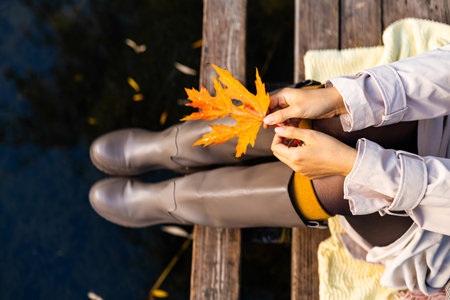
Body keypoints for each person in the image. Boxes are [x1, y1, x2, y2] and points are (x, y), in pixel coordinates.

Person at [88, 46, 449, 295]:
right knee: (334, 115)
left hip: (434, 224)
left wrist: (351, 165)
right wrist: (340, 97)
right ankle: (173, 146)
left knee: (341, 183)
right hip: (440, 125)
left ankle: (174, 201)